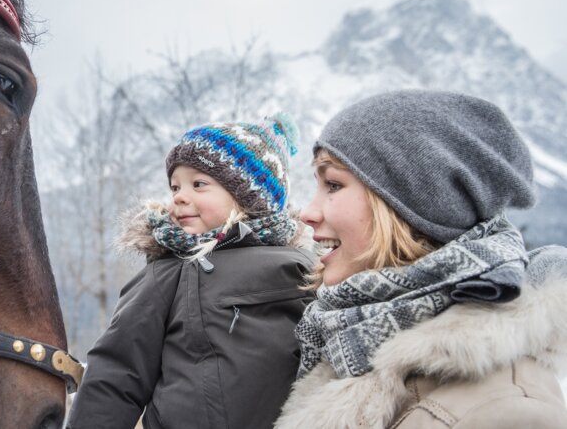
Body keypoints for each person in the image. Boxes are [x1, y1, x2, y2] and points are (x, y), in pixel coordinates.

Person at [275, 90, 567, 429]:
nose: (308, 213)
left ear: (412, 207)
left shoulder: (504, 411)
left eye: (334, 185)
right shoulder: (349, 335)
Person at [67, 115, 316, 429]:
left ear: (248, 197)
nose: (179, 197)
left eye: (198, 184)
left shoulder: (304, 268)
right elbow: (118, 374)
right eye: (175, 187)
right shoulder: (170, 272)